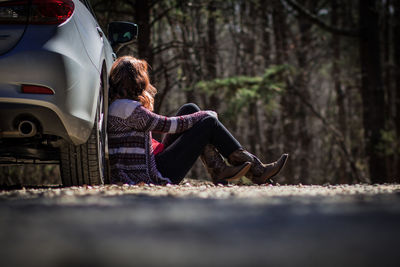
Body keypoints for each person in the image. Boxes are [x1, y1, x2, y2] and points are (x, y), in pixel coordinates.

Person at [107, 56, 288, 185]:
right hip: (154, 173)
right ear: (137, 81)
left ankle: (223, 170)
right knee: (206, 121)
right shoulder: (129, 109)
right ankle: (255, 170)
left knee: (190, 109)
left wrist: (199, 116)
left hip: (152, 161)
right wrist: (207, 115)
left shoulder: (118, 106)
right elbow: (168, 125)